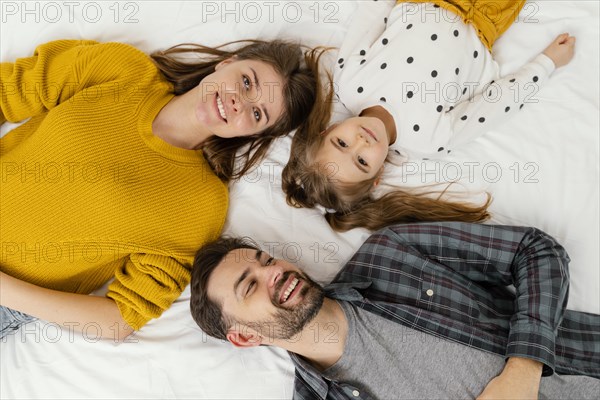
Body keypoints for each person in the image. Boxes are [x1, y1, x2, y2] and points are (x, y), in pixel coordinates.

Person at [0, 38, 326, 340]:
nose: (238, 102)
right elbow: (7, 91)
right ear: (227, 63)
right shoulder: (124, 69)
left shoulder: (201, 205)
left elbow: (119, 319)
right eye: (246, 81)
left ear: (254, 134)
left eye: (257, 113)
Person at [190, 222, 599, 399]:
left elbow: (535, 250)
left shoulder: (393, 255)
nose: (274, 273)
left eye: (265, 261)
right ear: (245, 337)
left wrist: (522, 373)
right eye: (250, 285)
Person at [282, 0, 577, 232]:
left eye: (341, 144)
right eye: (361, 161)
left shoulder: (350, 83)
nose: (360, 141)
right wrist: (546, 63)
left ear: (329, 129)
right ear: (377, 176)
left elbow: (372, 14)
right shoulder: (428, 140)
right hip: (485, 17)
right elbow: (494, 105)